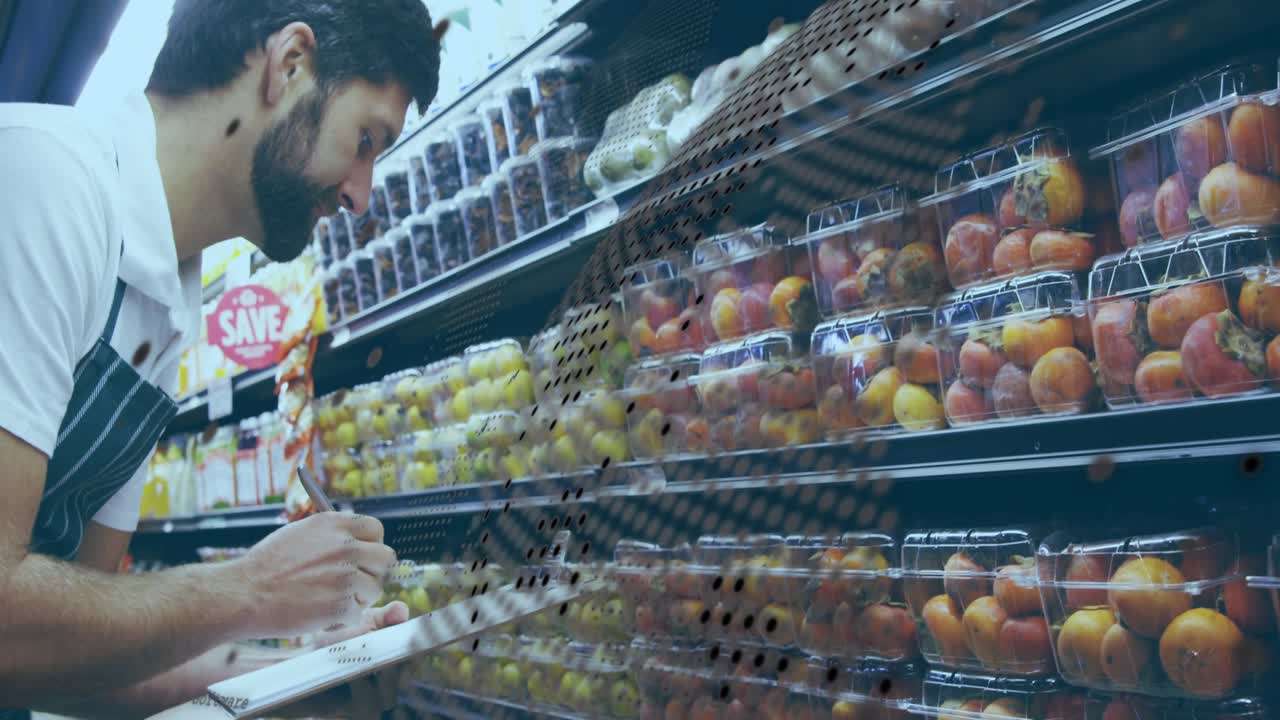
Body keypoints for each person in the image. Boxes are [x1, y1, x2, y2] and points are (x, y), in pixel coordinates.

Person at [0, 1, 443, 717]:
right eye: (364, 138)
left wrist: (304, 665)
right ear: (289, 65)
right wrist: (252, 590)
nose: (361, 194)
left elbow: (79, 657)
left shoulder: (168, 306)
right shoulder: (47, 183)